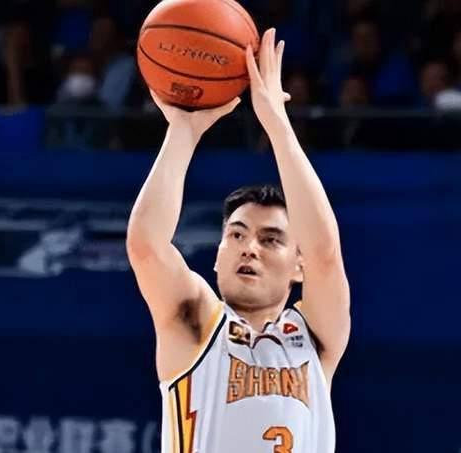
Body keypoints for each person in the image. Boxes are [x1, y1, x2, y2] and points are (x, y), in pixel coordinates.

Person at [126, 29, 350, 453]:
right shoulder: (197, 324)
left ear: (298, 266)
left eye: (271, 239)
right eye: (237, 234)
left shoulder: (315, 336)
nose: (250, 247)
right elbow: (146, 246)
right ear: (217, 256)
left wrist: (278, 126)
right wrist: (183, 132)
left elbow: (325, 253)